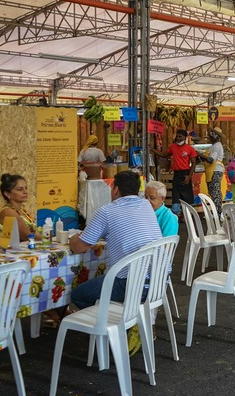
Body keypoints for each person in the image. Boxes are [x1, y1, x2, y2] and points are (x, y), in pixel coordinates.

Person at [69, 171, 162, 309]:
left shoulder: (106, 211)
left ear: (116, 189)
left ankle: (104, 324)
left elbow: (79, 247)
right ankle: (122, 322)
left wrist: (73, 238)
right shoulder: (146, 206)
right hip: (158, 281)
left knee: (77, 295)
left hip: (130, 285)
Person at [152, 129, 197, 216]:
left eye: (180, 136)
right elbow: (164, 155)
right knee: (176, 194)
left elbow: (194, 163)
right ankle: (176, 213)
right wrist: (153, 150)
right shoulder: (172, 147)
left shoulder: (190, 149)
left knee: (187, 195)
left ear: (185, 137)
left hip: (186, 174)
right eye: (177, 136)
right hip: (176, 174)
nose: (178, 138)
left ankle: (187, 215)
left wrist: (189, 176)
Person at [0, 174, 39, 240]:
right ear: (7, 194)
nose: (25, 192)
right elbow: (27, 236)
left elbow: (35, 233)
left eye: (26, 188)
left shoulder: (21, 211)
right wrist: (46, 240)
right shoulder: (8, 212)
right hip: (12, 249)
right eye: (20, 189)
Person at [203, 127, 226, 214]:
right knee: (213, 190)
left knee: (215, 191)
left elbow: (211, 160)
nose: (209, 137)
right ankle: (217, 211)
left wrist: (201, 155)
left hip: (216, 170)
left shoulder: (217, 146)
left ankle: (218, 212)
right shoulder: (214, 145)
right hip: (212, 170)